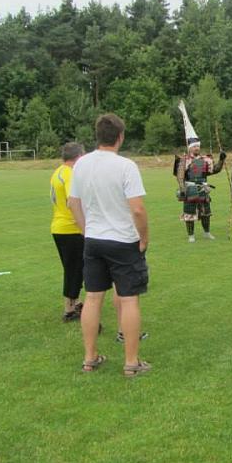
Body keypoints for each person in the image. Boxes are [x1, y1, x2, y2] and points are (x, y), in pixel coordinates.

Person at [68, 113, 151, 377]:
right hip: (123, 240)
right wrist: (144, 237)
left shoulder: (81, 164)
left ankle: (90, 358)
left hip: (94, 240)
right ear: (120, 137)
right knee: (129, 299)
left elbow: (73, 203)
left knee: (93, 298)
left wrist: (86, 230)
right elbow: (137, 209)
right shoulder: (125, 166)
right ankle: (131, 362)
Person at [50, 142, 85, 322]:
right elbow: (72, 202)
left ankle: (76, 302)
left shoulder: (57, 172)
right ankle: (69, 309)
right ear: (78, 157)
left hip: (59, 226)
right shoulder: (70, 174)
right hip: (71, 228)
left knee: (74, 267)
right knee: (74, 269)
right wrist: (83, 227)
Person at [174, 137, 226, 242]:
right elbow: (180, 176)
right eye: (194, 146)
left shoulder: (205, 160)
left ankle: (207, 233)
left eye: (198, 146)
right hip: (190, 189)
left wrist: (221, 160)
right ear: (190, 148)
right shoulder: (184, 160)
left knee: (206, 212)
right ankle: (191, 235)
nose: (196, 148)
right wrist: (182, 189)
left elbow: (214, 170)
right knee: (189, 213)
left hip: (203, 188)